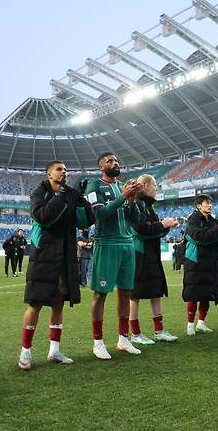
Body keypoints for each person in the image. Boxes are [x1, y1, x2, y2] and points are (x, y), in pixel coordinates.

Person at [18, 160, 94, 370]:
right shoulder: (38, 194)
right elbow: (44, 217)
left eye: (66, 170)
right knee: (35, 303)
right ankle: (25, 351)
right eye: (59, 169)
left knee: (59, 302)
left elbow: (85, 222)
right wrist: (62, 195)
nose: (64, 172)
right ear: (49, 174)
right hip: (44, 254)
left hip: (66, 255)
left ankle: (54, 351)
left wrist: (82, 201)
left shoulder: (69, 194)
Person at [85, 152, 143, 359]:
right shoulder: (94, 186)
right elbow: (99, 214)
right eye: (109, 161)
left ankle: (123, 339)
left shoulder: (123, 187)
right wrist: (123, 197)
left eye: (116, 160)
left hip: (127, 244)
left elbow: (135, 219)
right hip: (107, 243)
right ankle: (98, 342)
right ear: (101, 167)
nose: (115, 163)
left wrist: (132, 201)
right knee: (100, 294)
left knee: (126, 293)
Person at [129, 174, 179, 345]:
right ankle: (135, 334)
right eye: (155, 185)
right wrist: (162, 225)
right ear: (145, 186)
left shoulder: (148, 205)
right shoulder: (137, 204)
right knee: (135, 294)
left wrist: (166, 227)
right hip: (139, 254)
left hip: (151, 254)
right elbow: (140, 230)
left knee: (156, 291)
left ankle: (159, 331)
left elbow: (153, 230)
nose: (156, 189)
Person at [183, 194, 218, 335]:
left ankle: (201, 323)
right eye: (207, 203)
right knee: (194, 294)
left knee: (207, 294)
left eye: (211, 203)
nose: (210, 205)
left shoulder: (212, 221)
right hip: (195, 262)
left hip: (210, 261)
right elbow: (200, 237)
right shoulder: (193, 219)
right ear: (199, 206)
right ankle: (190, 325)